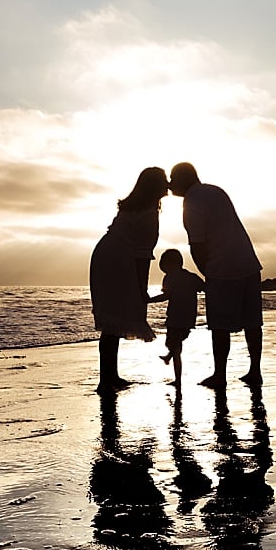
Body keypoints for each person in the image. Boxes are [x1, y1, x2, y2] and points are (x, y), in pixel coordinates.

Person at [168, 162, 262, 389]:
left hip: (223, 268)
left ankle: (220, 375)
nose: (170, 184)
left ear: (183, 179)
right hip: (248, 261)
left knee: (219, 326)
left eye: (173, 178)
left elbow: (197, 246)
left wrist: (208, 272)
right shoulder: (215, 190)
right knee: (252, 322)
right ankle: (254, 371)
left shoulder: (191, 202)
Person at [90, 167, 169, 393]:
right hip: (118, 262)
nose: (168, 184)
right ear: (154, 186)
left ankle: (110, 376)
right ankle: (105, 381)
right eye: (164, 180)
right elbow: (142, 255)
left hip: (105, 256)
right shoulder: (148, 214)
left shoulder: (133, 208)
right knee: (115, 319)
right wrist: (141, 289)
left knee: (113, 320)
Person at [147, 248, 205, 389]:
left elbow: (166, 296)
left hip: (175, 317)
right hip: (189, 318)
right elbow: (204, 287)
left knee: (174, 346)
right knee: (177, 344)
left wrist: (148, 300)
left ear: (168, 264)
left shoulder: (170, 278)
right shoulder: (191, 277)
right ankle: (169, 358)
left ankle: (177, 379)